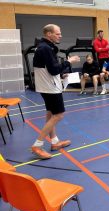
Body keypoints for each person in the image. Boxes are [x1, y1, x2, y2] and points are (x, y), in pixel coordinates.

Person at [31, 24, 80, 159]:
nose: (60, 36)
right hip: (50, 88)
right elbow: (53, 69)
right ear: (48, 34)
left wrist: (60, 75)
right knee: (58, 115)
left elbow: (48, 69)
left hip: (46, 85)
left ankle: (54, 142)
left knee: (50, 113)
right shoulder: (45, 48)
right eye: (58, 33)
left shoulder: (43, 47)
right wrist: (69, 61)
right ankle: (37, 145)